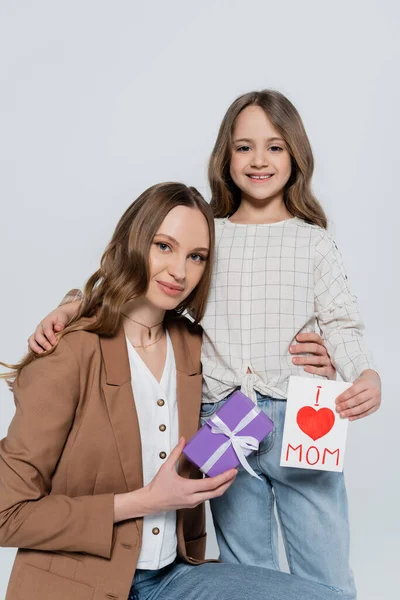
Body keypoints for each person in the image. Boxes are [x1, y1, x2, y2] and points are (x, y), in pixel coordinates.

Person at [0, 182, 339, 600]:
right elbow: (5, 514)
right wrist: (142, 501)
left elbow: (258, 359)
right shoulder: (70, 352)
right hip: (77, 584)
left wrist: (315, 364)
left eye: (196, 257)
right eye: (164, 246)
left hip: (173, 579)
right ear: (133, 242)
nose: (180, 271)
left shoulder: (195, 346)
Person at [198, 90, 381, 599]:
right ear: (225, 157)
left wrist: (365, 373)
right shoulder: (205, 236)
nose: (259, 160)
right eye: (244, 147)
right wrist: (73, 302)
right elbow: (150, 289)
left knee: (324, 567)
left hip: (302, 413)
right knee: (244, 572)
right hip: (220, 416)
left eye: (275, 147)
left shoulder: (313, 240)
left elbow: (343, 323)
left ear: (295, 155)